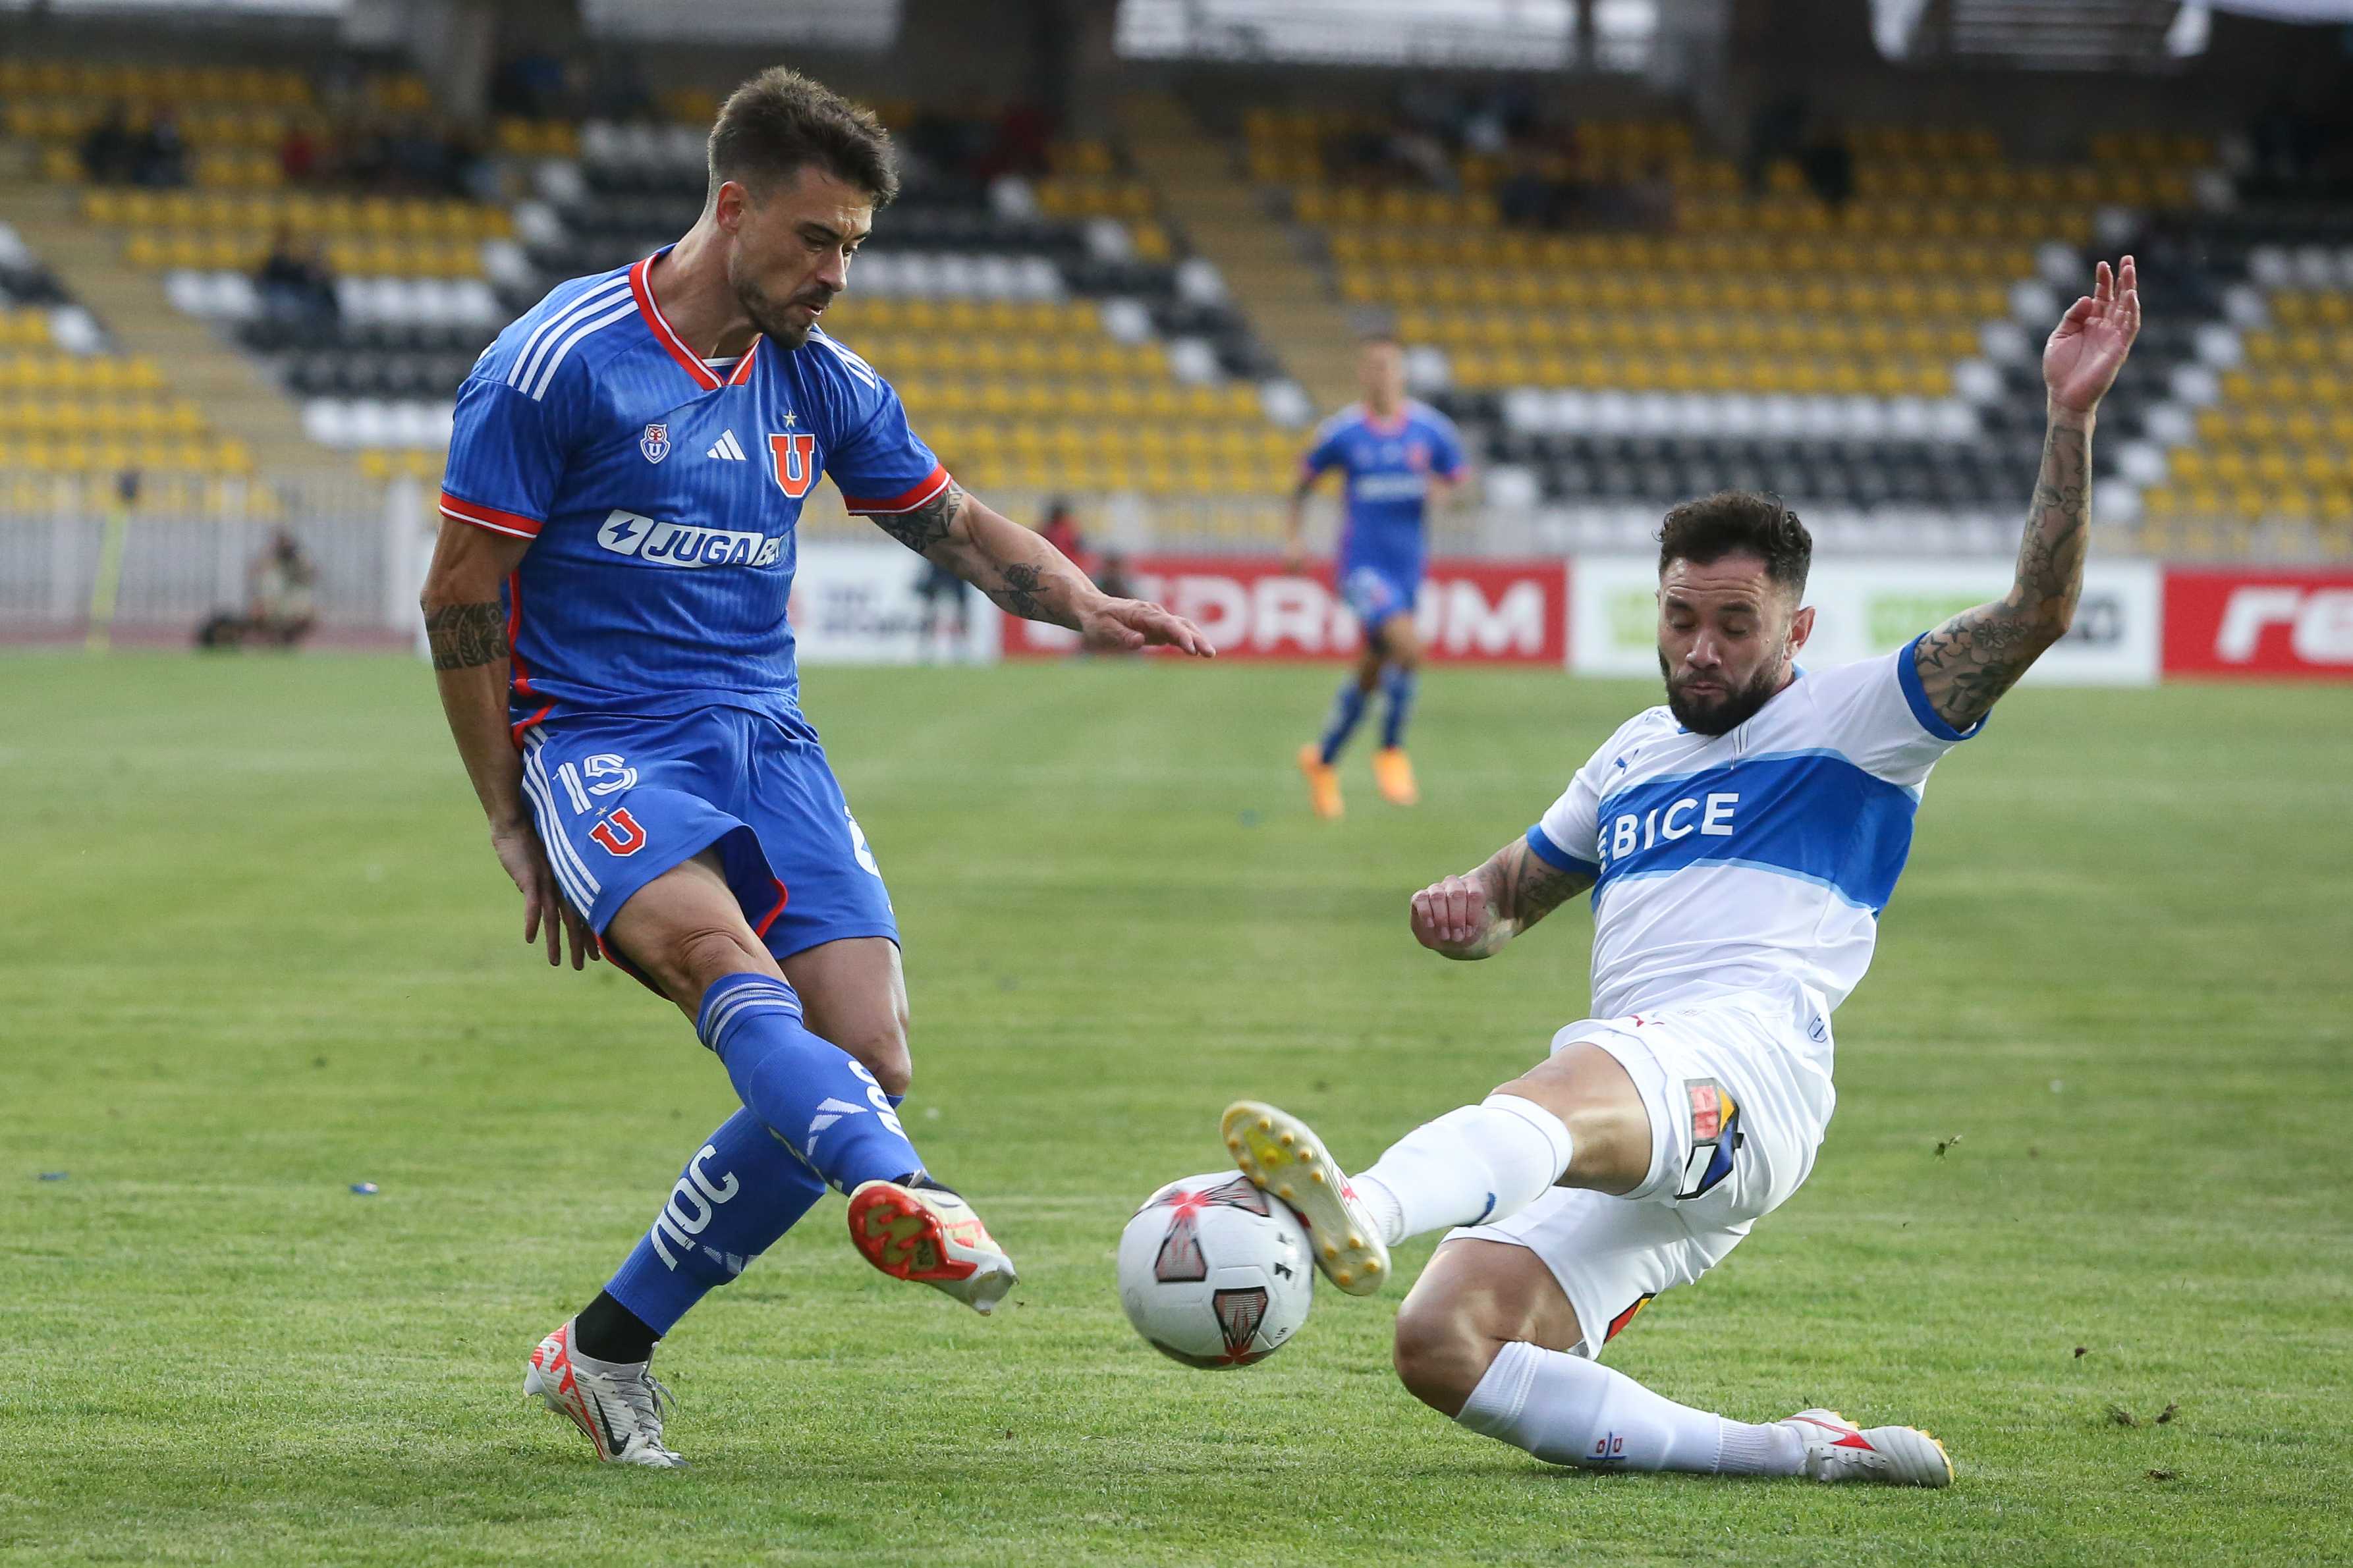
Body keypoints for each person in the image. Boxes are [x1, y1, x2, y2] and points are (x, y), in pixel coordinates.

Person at [1224, 259, 2140, 1487]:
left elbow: (2036, 607)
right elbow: (1512, 896)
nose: (1700, 650)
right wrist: (1465, 911)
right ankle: (1797, 1455)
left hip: (1741, 1062)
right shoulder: (1632, 752)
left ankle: (1366, 1207)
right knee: (1444, 1341)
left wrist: (2068, 417)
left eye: (1734, 625)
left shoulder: (1863, 717)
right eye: (1678, 621)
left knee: (1552, 1091)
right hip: (1648, 1099)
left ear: (1796, 630)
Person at [418, 68, 1214, 1468]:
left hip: (762, 734)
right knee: (725, 969)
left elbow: (954, 523)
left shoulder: (823, 379)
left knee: (867, 1046)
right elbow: (460, 598)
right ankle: (902, 1188)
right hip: (598, 736)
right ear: (732, 209)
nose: (836, 272)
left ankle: (602, 1348)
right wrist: (506, 806)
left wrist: (1081, 598)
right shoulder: (558, 361)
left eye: (854, 246)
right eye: (816, 239)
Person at [1288, 335, 1467, 820]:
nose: (1381, 374)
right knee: (1409, 649)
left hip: (1408, 567)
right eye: (1373, 366)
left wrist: (1441, 495)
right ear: (1362, 374)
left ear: (1402, 372)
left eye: (1389, 365)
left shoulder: (1431, 431)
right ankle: (1390, 750)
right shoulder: (1344, 433)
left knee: (1374, 666)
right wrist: (1295, 541)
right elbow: (1302, 484)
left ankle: (1322, 759)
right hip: (1361, 568)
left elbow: (1457, 478)